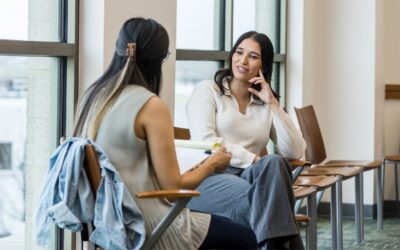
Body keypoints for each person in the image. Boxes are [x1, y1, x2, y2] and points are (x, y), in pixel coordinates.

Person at [72, 18, 258, 249]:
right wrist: (212, 164)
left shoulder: (93, 97)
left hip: (109, 220)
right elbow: (172, 186)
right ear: (158, 59)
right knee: (247, 238)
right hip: (149, 222)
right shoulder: (150, 105)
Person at [185, 31, 306, 249]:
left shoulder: (263, 103)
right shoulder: (208, 90)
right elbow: (207, 141)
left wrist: (273, 105)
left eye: (253, 56)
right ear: (232, 55)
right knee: (267, 204)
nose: (243, 60)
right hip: (209, 175)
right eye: (239, 52)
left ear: (264, 65)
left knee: (275, 162)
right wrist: (252, 159)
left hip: (249, 177)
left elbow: (294, 151)